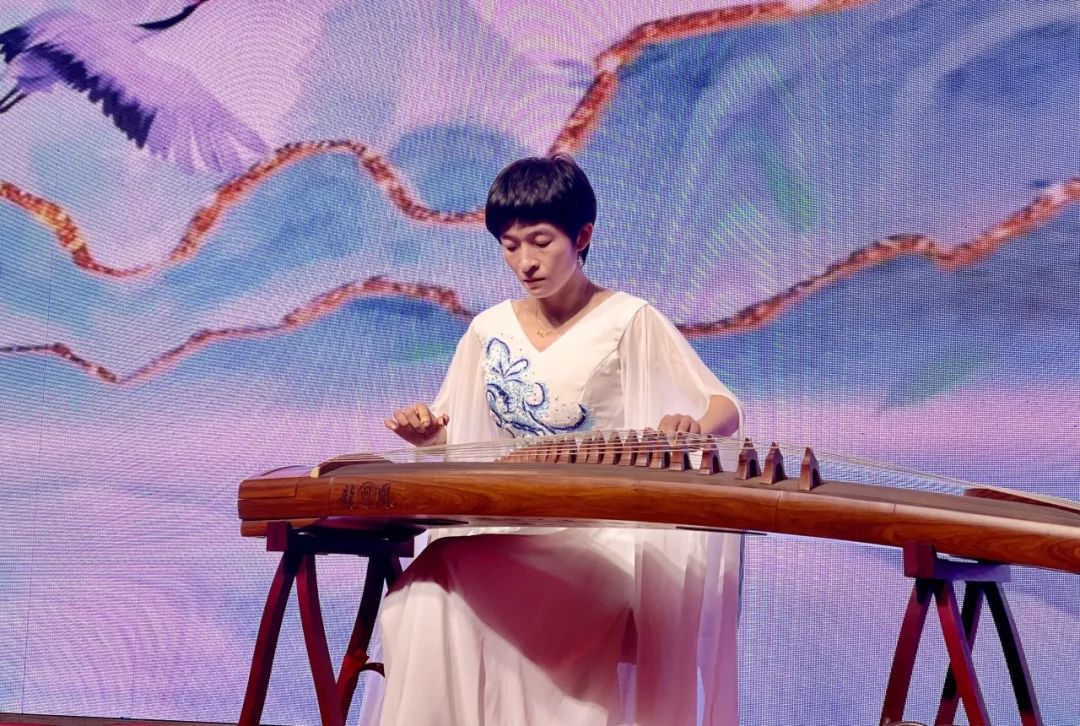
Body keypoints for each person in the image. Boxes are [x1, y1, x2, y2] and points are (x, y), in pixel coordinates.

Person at [369, 154, 744, 725]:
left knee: (442, 572)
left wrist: (693, 424)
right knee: (418, 597)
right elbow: (457, 435)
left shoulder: (627, 319)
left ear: (582, 236)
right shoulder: (489, 329)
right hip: (510, 529)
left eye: (540, 242)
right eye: (510, 245)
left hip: (602, 539)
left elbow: (723, 406)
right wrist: (428, 433)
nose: (525, 261)